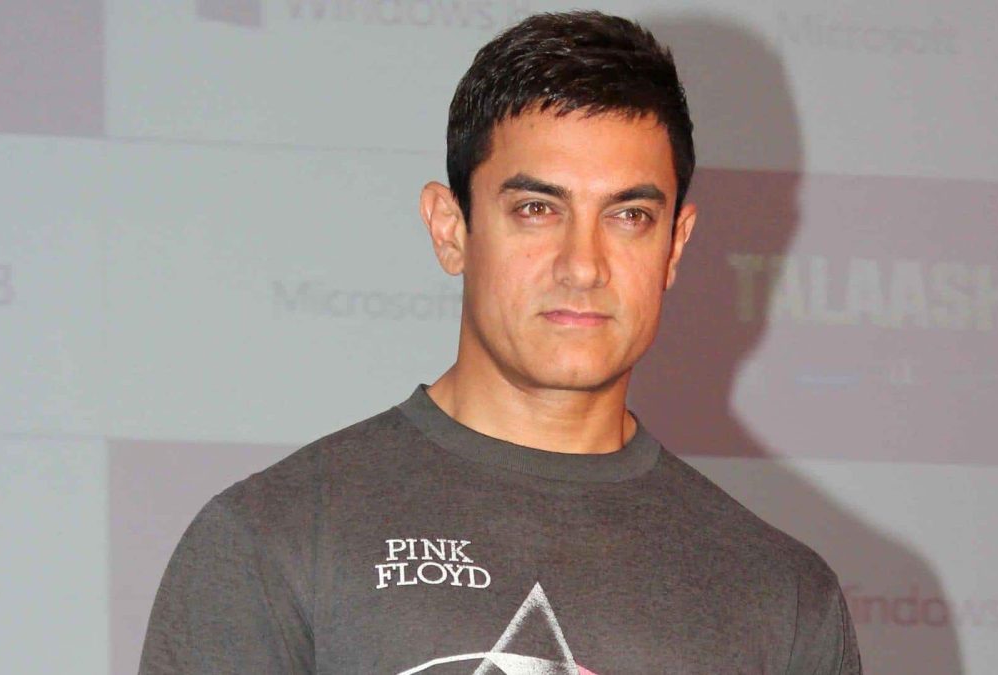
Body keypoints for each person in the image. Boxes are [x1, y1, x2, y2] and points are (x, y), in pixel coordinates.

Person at [140, 10, 861, 674]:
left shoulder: (783, 595)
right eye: (537, 208)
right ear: (451, 228)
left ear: (675, 245)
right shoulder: (277, 540)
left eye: (629, 216)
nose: (583, 265)